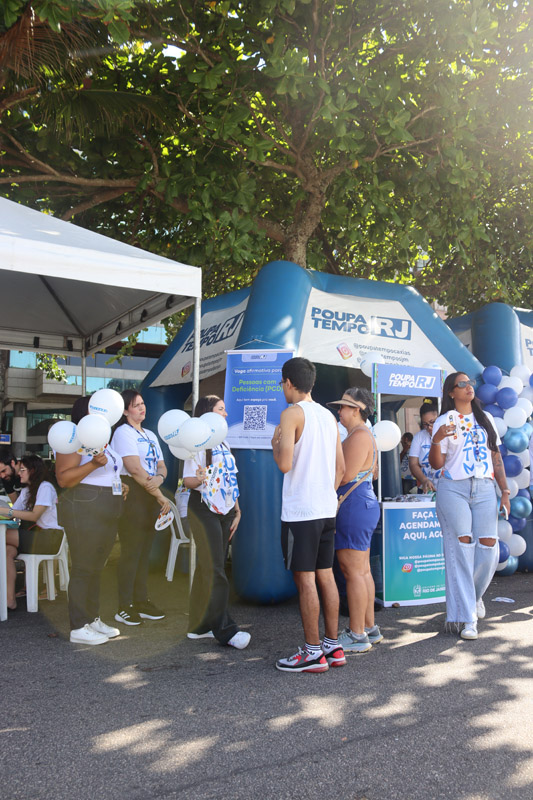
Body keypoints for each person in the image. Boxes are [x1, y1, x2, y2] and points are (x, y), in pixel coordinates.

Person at [272, 357, 345, 673]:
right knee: (325, 575)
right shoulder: (329, 417)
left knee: (305, 581)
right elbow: (341, 468)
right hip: (326, 507)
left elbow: (284, 464)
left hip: (301, 510)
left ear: (288, 382)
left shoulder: (291, 414)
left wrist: (276, 442)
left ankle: (313, 652)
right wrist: (325, 494)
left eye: (282, 384)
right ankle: (332, 646)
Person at [429, 372, 510, 640]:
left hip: (486, 487)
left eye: (470, 383)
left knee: (489, 547)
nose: (468, 387)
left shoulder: (485, 420)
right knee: (462, 546)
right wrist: (437, 438)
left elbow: (496, 458)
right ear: (451, 392)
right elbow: (437, 465)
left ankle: (472, 597)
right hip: (454, 488)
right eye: (461, 384)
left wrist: (505, 491)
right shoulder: (444, 420)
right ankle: (468, 619)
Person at [56, 396, 125, 645]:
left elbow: (108, 472)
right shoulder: (74, 437)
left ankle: (92, 618)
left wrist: (120, 485)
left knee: (97, 566)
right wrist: (94, 465)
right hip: (84, 504)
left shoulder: (102, 438)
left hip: (107, 503)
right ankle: (78, 626)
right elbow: (64, 478)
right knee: (84, 566)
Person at [182, 395, 249, 649]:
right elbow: (188, 480)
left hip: (226, 510)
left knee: (210, 566)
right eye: (221, 410)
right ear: (208, 413)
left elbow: (230, 480)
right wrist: (199, 478)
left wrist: (238, 510)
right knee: (214, 568)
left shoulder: (224, 443)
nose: (226, 414)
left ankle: (198, 626)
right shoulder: (196, 441)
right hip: (202, 508)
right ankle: (226, 629)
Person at [328, 388, 382, 653]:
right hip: (360, 504)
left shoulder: (359, 435)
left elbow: (344, 474)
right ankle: (368, 628)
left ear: (357, 409)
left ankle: (357, 633)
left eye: (344, 407)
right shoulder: (362, 435)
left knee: (353, 572)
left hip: (353, 506)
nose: (340, 412)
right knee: (361, 571)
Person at [111, 390, 170, 626]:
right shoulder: (123, 433)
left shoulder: (151, 435)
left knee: (144, 552)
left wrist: (159, 480)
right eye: (136, 405)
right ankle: (124, 606)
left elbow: (162, 466)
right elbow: (134, 469)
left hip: (150, 493)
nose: (142, 408)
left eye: (143, 404)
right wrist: (159, 495)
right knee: (131, 553)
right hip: (134, 495)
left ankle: (141, 600)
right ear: (125, 411)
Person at [0, 454, 63, 611]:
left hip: (50, 538)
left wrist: (5, 512)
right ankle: (9, 599)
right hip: (38, 536)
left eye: (22, 470)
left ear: (32, 470)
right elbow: (13, 510)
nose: (19, 473)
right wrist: (6, 511)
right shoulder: (28, 490)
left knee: (3, 538)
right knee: (7, 551)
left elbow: (34, 515)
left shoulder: (45, 487)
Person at [409, 399, 440, 493]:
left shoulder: (448, 435)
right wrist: (424, 480)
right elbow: (413, 464)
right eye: (425, 424)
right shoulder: (419, 437)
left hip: (446, 487)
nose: (429, 427)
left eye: (432, 422)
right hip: (426, 488)